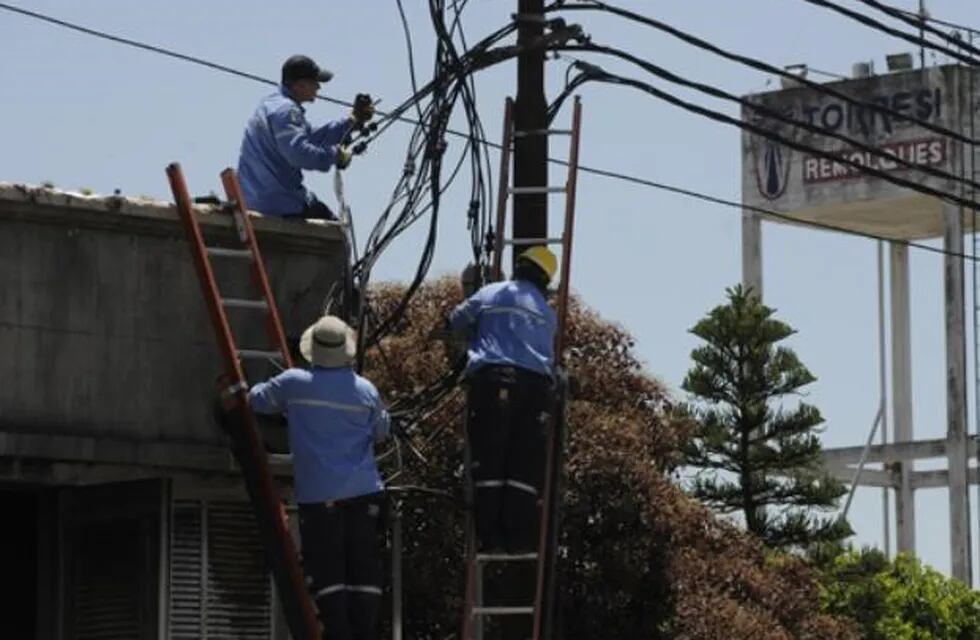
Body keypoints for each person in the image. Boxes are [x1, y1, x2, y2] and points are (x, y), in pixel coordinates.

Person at [247, 314, 389, 640]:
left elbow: (256, 400)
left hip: (318, 497)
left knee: (329, 576)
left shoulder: (293, 384)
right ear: (346, 350)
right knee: (363, 573)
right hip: (363, 495)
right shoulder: (365, 391)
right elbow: (382, 431)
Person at [448, 247, 558, 553]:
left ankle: (491, 539)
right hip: (535, 390)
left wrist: (470, 331)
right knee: (523, 466)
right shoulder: (548, 314)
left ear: (519, 267)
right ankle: (519, 540)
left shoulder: (491, 293)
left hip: (493, 382)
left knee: (490, 462)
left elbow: (455, 321)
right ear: (545, 280)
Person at [238, 54, 375, 219]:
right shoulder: (286, 111)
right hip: (276, 202)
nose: (318, 87)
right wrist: (335, 156)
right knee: (334, 231)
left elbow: (311, 138)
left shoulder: (273, 104)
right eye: (315, 83)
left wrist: (351, 122)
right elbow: (298, 154)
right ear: (300, 85)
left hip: (256, 197)